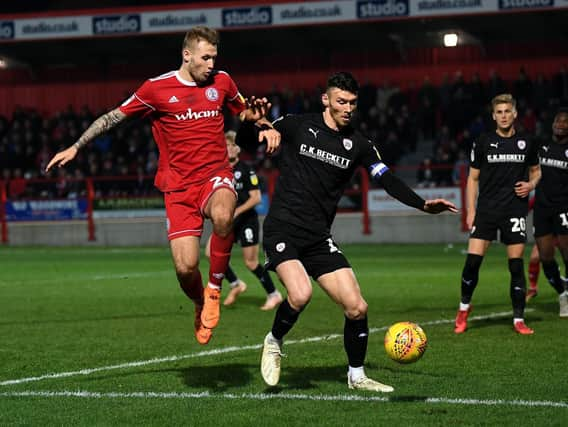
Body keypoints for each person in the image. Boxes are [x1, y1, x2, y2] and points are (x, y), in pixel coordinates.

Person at [45, 26, 280, 346]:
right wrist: (77, 146)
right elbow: (113, 117)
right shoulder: (156, 89)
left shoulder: (222, 82)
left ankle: (214, 288)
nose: (211, 64)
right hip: (179, 189)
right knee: (185, 269)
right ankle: (199, 300)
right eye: (205, 57)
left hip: (215, 174)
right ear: (187, 55)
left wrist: (261, 124)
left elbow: (247, 115)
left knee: (225, 215)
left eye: (214, 57)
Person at [249, 72, 457, 393]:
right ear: (326, 100)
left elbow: (386, 179)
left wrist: (421, 204)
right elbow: (253, 140)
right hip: (283, 229)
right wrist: (257, 125)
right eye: (341, 101)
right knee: (301, 294)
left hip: (318, 237)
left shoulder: (360, 145)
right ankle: (274, 341)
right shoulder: (297, 125)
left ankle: (357, 376)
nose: (348, 108)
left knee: (357, 307)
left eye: (353, 103)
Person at [454, 93, 541, 335]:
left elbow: (536, 172)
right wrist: (471, 211)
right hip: (487, 211)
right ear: (494, 116)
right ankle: (463, 309)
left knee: (515, 266)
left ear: (514, 114)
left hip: (514, 210)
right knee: (472, 263)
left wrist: (531, 186)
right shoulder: (483, 142)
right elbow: (472, 179)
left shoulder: (527, 142)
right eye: (499, 112)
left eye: (507, 111)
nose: (503, 116)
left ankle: (518, 319)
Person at [205, 130, 283, 310]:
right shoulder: (220, 171)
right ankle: (235, 284)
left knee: (251, 262)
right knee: (211, 253)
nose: (229, 149)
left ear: (238, 149)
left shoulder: (246, 170)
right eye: (226, 146)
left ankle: (274, 294)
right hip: (227, 222)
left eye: (232, 145)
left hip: (247, 220)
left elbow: (256, 198)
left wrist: (237, 211)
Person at [532, 108, 568, 316]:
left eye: (565, 122)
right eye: (557, 120)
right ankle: (562, 292)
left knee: (566, 254)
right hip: (542, 208)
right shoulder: (541, 146)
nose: (560, 124)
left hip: (564, 208)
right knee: (545, 257)